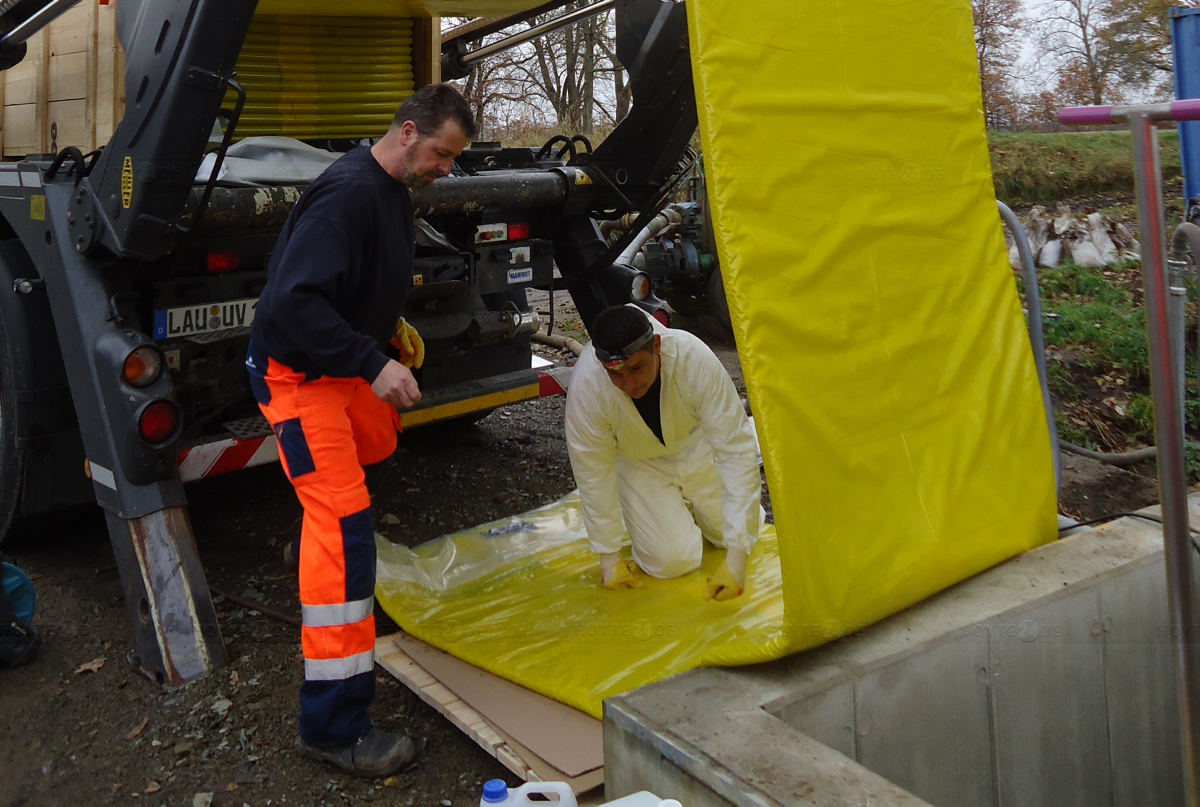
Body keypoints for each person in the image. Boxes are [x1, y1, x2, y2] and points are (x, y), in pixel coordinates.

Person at [244, 84, 475, 778]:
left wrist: (384, 329)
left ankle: (308, 547)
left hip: (336, 366)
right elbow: (292, 305)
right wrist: (369, 360)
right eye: (442, 153)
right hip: (298, 376)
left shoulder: (388, 189)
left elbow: (349, 283)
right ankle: (333, 725)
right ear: (408, 133)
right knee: (345, 531)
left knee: (376, 441)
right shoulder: (347, 196)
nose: (448, 169)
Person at [565, 304, 763, 601]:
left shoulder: (692, 358)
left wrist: (737, 562)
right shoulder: (588, 385)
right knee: (671, 561)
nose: (628, 385)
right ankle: (672, 512)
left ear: (656, 345)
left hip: (696, 446)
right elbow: (592, 470)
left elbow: (734, 448)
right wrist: (609, 560)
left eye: (636, 368)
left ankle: (705, 513)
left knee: (732, 535)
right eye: (615, 375)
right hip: (638, 462)